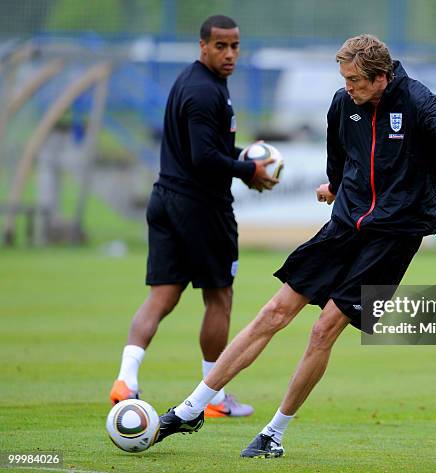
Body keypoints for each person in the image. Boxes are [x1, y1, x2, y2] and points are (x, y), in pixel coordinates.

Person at [153, 34, 436, 455]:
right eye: (345, 78)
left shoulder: (418, 101)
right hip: (345, 224)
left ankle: (273, 434)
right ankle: (190, 409)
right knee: (273, 311)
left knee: (322, 330)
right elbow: (339, 152)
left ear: (382, 78)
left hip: (394, 236)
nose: (348, 87)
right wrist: (335, 186)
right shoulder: (343, 103)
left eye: (355, 80)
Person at [108, 15, 278, 419]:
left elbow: (199, 150)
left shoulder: (193, 82)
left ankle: (126, 378)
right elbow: (203, 159)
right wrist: (248, 171)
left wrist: (237, 159)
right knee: (219, 296)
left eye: (235, 45)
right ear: (202, 46)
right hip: (200, 209)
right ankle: (215, 396)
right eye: (221, 46)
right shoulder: (204, 92)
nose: (230, 53)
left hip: (166, 197)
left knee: (162, 295)